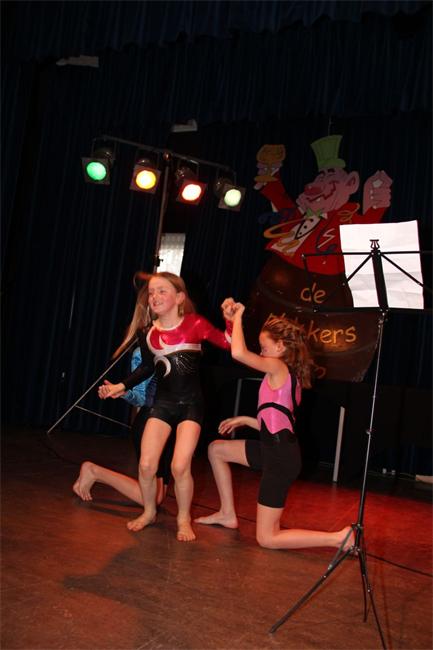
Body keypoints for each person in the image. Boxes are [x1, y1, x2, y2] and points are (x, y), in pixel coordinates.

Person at [195, 302, 355, 552]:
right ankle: (227, 513)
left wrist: (238, 318)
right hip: (273, 449)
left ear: (280, 347)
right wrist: (246, 420)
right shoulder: (285, 375)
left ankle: (339, 538)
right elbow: (277, 422)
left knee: (267, 538)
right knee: (217, 449)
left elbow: (238, 353)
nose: (261, 352)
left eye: (264, 347)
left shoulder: (278, 367)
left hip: (280, 458)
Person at [98, 272, 234, 542]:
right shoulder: (147, 332)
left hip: (191, 406)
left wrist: (231, 320)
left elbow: (229, 344)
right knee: (146, 465)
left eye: (162, 291)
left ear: (179, 297)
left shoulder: (195, 324)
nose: (155, 297)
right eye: (151, 292)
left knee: (180, 466)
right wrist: (120, 386)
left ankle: (183, 518)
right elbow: (147, 367)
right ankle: (149, 511)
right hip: (162, 404)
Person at [73, 351, 173, 507]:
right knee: (153, 499)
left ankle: (94, 471)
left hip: (173, 423)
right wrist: (124, 391)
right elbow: (141, 398)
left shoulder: (187, 345)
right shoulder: (146, 350)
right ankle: (93, 471)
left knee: (158, 496)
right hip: (153, 421)